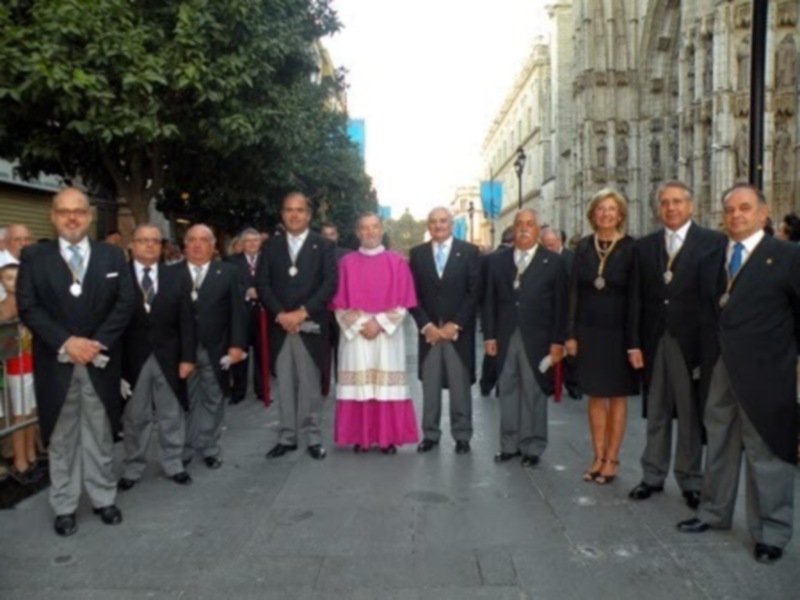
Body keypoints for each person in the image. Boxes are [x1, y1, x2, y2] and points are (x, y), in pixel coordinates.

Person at [677, 184, 800, 564]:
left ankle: (771, 532)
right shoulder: (716, 255)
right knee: (719, 442)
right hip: (721, 370)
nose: (736, 216)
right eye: (729, 209)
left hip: (767, 374)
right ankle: (714, 512)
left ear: (764, 214)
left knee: (767, 452)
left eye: (745, 208)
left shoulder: (787, 255)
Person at [17, 187, 136, 536]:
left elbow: (125, 303)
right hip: (57, 362)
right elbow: (29, 307)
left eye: (79, 211)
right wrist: (68, 343)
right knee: (63, 435)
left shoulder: (112, 257)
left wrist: (94, 344)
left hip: (99, 360)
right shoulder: (34, 257)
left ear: (90, 216)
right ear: (53, 216)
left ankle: (103, 498)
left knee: (100, 433)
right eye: (64, 211)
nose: (72, 217)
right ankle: (65, 504)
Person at [627, 181, 726, 508]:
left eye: (678, 202)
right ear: (658, 208)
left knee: (689, 413)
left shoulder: (713, 243)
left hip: (692, 343)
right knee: (655, 410)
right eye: (665, 203)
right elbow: (635, 300)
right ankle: (652, 475)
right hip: (654, 341)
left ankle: (690, 480)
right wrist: (633, 344)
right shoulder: (644, 247)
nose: (671, 208)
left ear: (691, 206)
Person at [483, 209, 567, 466]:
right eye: (519, 224)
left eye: (530, 224)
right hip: (506, 336)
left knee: (533, 391)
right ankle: (509, 445)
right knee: (507, 389)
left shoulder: (552, 262)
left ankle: (533, 446)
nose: (524, 228)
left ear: (538, 229)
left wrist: (557, 342)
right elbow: (488, 301)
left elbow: (561, 305)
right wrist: (489, 336)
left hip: (538, 339)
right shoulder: (497, 261)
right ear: (513, 228)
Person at [566, 188, 638, 485]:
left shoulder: (633, 248)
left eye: (611, 209)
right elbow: (573, 293)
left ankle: (612, 458)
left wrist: (635, 342)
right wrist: (570, 333)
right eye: (600, 209)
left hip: (619, 332)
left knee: (617, 397)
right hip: (589, 331)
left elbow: (636, 297)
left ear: (620, 214)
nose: (606, 213)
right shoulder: (582, 247)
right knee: (595, 396)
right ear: (593, 214)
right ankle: (597, 456)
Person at [258, 193, 337, 460]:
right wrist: (281, 314)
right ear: (282, 214)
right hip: (281, 326)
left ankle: (314, 438)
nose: (294, 215)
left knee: (310, 385)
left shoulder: (323, 245)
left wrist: (302, 313)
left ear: (309, 215)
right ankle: (287, 437)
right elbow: (263, 284)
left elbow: (330, 284)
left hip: (310, 324)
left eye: (300, 210)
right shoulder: (270, 246)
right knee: (285, 385)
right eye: (289, 210)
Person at [117, 225, 196, 491]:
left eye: (155, 241)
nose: (149, 246)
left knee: (171, 414)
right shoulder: (119, 276)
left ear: (161, 247)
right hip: (132, 358)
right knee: (135, 415)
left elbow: (187, 319)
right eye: (143, 241)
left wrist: (187, 357)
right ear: (132, 245)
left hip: (169, 356)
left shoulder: (176, 276)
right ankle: (133, 466)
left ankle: (174, 462)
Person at [332, 213, 418, 453]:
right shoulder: (346, 263)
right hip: (356, 337)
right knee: (359, 385)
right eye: (364, 228)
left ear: (382, 230)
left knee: (385, 387)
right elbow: (339, 304)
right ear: (358, 232)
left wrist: (379, 323)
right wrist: (362, 323)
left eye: (374, 227)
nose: (370, 232)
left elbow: (404, 303)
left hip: (386, 336)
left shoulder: (397, 262)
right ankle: (360, 437)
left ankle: (387, 438)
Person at [410, 207, 480, 454]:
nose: (438, 225)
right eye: (433, 222)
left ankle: (462, 436)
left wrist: (455, 324)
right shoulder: (417, 254)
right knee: (430, 387)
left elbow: (474, 293)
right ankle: (430, 434)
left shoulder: (470, 252)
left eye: (443, 221)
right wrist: (426, 325)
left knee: (460, 388)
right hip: (428, 333)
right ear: (428, 226)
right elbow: (412, 295)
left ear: (451, 223)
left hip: (457, 333)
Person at [180, 224, 247, 470]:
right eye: (192, 240)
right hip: (181, 351)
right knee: (185, 400)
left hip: (216, 348)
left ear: (213, 246)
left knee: (214, 397)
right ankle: (185, 447)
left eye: (204, 240)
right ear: (185, 244)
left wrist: (237, 345)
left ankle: (209, 447)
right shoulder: (171, 273)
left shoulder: (227, 272)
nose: (198, 245)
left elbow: (237, 313)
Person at [0, 264, 39, 483]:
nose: (13, 282)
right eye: (8, 278)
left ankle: (31, 454)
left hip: (31, 361)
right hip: (16, 364)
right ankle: (20, 461)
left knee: (30, 412)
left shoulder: (27, 302)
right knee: (21, 413)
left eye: (17, 278)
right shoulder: (6, 306)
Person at [227, 228, 269, 405]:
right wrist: (246, 292)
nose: (252, 243)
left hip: (262, 314)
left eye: (256, 240)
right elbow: (227, 287)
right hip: (240, 315)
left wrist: (262, 293)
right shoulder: (231, 262)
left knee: (262, 354)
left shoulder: (268, 261)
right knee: (240, 352)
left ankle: (262, 390)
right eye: (248, 240)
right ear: (242, 243)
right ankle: (238, 391)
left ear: (260, 243)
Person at [540, 226, 580, 399]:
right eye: (545, 245)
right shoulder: (543, 259)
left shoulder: (572, 259)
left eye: (551, 245)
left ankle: (573, 386)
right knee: (550, 348)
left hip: (569, 311)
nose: (549, 249)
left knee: (570, 351)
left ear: (560, 242)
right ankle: (549, 384)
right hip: (549, 312)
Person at [478, 226, 514, 397]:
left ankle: (486, 383)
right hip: (507, 313)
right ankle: (500, 386)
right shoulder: (506, 259)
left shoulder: (487, 258)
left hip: (490, 311)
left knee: (491, 352)